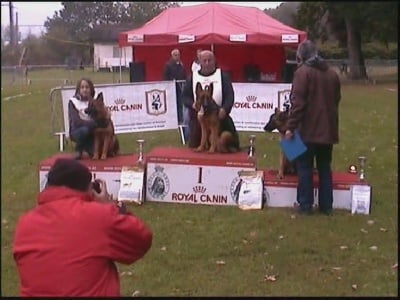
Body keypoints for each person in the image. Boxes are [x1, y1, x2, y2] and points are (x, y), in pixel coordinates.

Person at [13, 158, 153, 297]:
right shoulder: (98, 216)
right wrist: (111, 206)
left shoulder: (24, 224)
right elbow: (140, 240)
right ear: (89, 190)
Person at [284, 40, 341, 215]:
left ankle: (305, 205)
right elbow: (337, 99)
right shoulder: (332, 74)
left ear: (301, 56)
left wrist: (290, 127)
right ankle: (326, 207)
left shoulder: (302, 73)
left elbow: (298, 104)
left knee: (304, 167)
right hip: (328, 128)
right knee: (324, 167)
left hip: (307, 129)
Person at [182, 50, 240, 150]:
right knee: (194, 150)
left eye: (210, 60)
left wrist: (225, 109)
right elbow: (185, 97)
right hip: (198, 121)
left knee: (223, 147)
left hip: (219, 120)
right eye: (204, 61)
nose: (207, 63)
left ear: (214, 61)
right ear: (200, 62)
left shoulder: (223, 76)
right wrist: (192, 104)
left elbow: (230, 96)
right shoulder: (192, 77)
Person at [68, 78, 97, 159]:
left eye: (87, 87)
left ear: (91, 89)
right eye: (82, 87)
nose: (85, 90)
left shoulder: (95, 102)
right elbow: (77, 122)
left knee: (95, 154)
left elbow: (100, 119)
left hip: (92, 133)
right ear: (78, 89)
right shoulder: (72, 102)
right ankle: (78, 150)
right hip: (77, 131)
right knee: (84, 130)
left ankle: (88, 147)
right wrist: (92, 124)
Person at [163, 49, 187, 125]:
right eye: (176, 55)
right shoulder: (168, 65)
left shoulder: (181, 64)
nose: (177, 57)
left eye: (178, 55)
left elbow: (184, 74)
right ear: (172, 55)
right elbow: (165, 77)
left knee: (181, 104)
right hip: (172, 88)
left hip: (181, 87)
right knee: (174, 104)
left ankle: (181, 119)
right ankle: (173, 119)